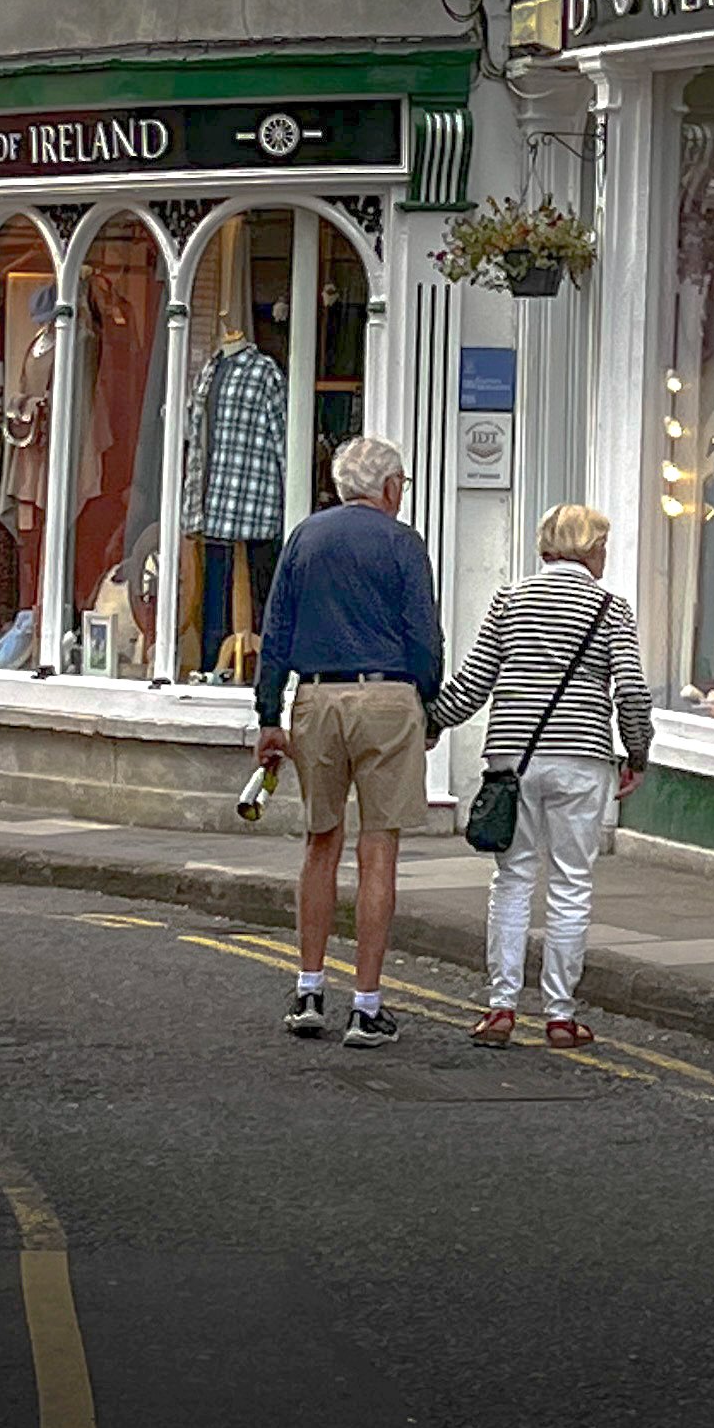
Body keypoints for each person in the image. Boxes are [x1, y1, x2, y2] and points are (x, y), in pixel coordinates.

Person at [427, 505, 653, 1049]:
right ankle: (559, 1014)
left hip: (513, 761)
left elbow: (473, 683)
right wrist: (637, 754)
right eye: (603, 546)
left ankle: (501, 1007)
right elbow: (631, 692)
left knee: (511, 881)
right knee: (571, 884)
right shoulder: (610, 608)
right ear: (590, 548)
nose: (605, 556)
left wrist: (430, 721)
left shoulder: (509, 600)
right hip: (582, 759)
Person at [256, 436, 442, 1050]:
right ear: (389, 487)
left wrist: (268, 716)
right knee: (378, 849)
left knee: (319, 842)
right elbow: (424, 638)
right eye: (403, 485)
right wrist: (428, 705)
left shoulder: (306, 537)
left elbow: (275, 629)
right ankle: (366, 1006)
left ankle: (309, 990)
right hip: (387, 696)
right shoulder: (402, 543)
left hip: (316, 698)